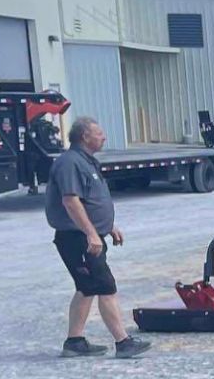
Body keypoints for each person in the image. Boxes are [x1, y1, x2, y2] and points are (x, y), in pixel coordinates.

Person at [47, 116, 150, 358]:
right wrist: (92, 233)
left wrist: (108, 226)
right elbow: (71, 202)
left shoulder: (86, 162)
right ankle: (123, 343)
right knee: (106, 286)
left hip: (85, 236)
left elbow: (90, 201)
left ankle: (74, 342)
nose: (103, 137)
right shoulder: (70, 163)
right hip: (77, 238)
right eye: (99, 133)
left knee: (87, 288)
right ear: (85, 136)